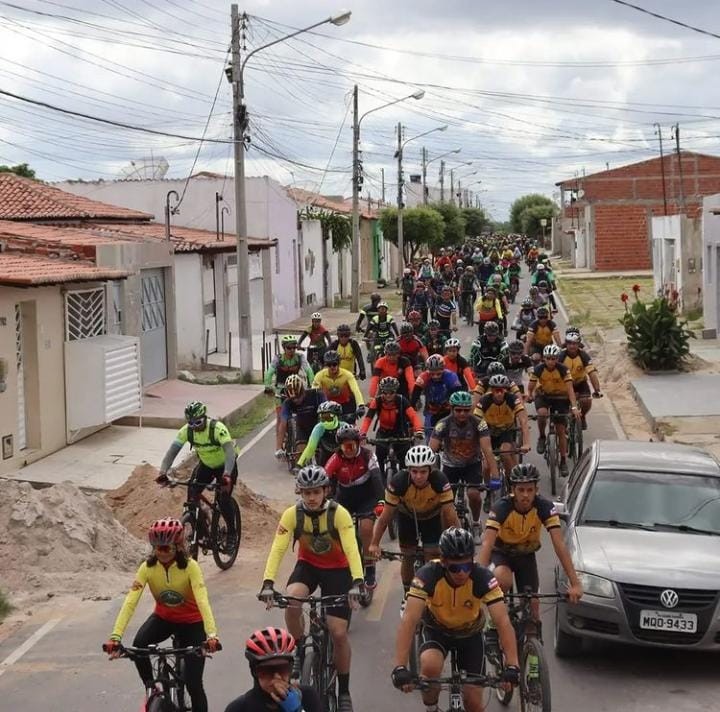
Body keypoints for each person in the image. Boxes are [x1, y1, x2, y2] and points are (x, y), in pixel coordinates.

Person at [259, 466, 364, 712]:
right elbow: (278, 548)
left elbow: (351, 548)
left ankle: (344, 689)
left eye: (316, 492)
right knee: (292, 601)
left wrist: (357, 582)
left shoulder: (340, 514)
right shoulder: (291, 515)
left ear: (326, 490)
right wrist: (268, 583)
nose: (311, 498)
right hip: (309, 566)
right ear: (300, 493)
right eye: (306, 493)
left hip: (339, 571)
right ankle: (299, 647)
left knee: (338, 633)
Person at [391, 528, 519, 712]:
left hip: (470, 634)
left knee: (474, 703)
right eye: (454, 567)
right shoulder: (427, 575)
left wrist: (512, 664)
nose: (461, 573)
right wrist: (400, 667)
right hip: (437, 630)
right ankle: (432, 707)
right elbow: (409, 621)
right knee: (430, 666)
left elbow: (503, 622)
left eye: (466, 566)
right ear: (443, 562)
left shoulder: (482, 577)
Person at [104, 519, 220, 712]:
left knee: (193, 684)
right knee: (139, 645)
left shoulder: (191, 567)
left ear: (178, 546)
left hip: (193, 623)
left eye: (166, 548)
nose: (161, 553)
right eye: (157, 548)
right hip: (164, 619)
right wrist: (115, 637)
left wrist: (212, 635)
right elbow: (130, 602)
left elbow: (202, 601)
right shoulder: (147, 568)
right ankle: (151, 687)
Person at [478, 464, 583, 647]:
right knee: (502, 579)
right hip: (501, 554)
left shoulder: (544, 507)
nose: (525, 495)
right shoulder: (501, 507)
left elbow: (559, 545)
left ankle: (534, 654)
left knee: (533, 610)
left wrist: (575, 583)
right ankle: (493, 624)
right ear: (513, 490)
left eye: (529, 490)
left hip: (526, 556)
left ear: (536, 490)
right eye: (521, 490)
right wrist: (476, 582)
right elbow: (487, 544)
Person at [369, 445, 459, 602]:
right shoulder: (399, 481)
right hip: (408, 517)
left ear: (430, 470)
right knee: (407, 557)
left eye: (423, 471)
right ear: (408, 470)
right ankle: (407, 593)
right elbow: (386, 516)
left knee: (433, 556)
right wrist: (374, 543)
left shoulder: (440, 480)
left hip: (433, 517)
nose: (418, 476)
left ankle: (431, 590)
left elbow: (450, 514)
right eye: (414, 471)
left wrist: (458, 540)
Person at [157, 401, 238, 544]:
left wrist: (226, 474)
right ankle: (200, 531)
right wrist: (163, 472)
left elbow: (230, 453)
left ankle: (232, 533)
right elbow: (172, 452)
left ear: (205, 417)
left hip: (225, 466)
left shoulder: (218, 429)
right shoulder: (186, 431)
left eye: (198, 422)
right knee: (191, 497)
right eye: (191, 424)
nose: (194, 427)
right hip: (206, 465)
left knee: (223, 499)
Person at [428, 391, 499, 537]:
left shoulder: (479, 424)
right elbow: (430, 451)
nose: (462, 414)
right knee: (444, 504)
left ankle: (476, 522)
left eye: (466, 410)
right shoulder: (443, 424)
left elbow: (487, 450)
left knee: (473, 494)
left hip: (471, 465)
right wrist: (428, 474)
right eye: (458, 410)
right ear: (452, 409)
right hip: (450, 466)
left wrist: (495, 476)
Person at [325, 425, 384, 589]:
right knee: (334, 530)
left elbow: (377, 479)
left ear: (358, 443)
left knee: (365, 529)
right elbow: (324, 478)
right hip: (345, 499)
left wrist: (381, 501)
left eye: (351, 445)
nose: (348, 450)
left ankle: (370, 568)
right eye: (344, 446)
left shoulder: (368, 455)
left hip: (367, 498)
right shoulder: (336, 458)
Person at [225, 627, 322, 712]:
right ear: (254, 672)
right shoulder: (239, 708)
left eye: (283, 668)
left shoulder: (308, 697)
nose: (277, 676)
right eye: (267, 671)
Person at [526, 344, 581, 477]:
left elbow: (570, 390)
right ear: (544, 359)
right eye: (548, 358)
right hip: (544, 396)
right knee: (542, 413)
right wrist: (529, 395)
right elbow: (531, 387)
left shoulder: (563, 369)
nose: (551, 361)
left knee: (561, 430)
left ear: (557, 359)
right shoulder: (538, 369)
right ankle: (542, 436)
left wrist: (574, 407)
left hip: (560, 398)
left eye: (554, 358)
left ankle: (562, 461)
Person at [359, 376, 423, 481]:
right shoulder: (377, 401)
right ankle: (383, 481)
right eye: (385, 392)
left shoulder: (402, 400)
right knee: (379, 459)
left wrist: (418, 430)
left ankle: (405, 482)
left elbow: (413, 416)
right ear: (381, 392)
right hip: (383, 433)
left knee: (405, 463)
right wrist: (363, 434)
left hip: (400, 433)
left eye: (391, 392)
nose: (388, 395)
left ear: (396, 391)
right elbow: (368, 419)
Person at [475, 374, 530, 477]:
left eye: (502, 390)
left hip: (506, 431)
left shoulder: (512, 399)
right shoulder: (484, 401)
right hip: (489, 432)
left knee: (505, 453)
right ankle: (488, 489)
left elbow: (523, 421)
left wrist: (526, 443)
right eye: (496, 390)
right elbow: (475, 421)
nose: (499, 394)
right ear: (491, 390)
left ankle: (511, 482)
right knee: (487, 466)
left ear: (506, 390)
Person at [410, 354, 462, 441]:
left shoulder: (451, 376)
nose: (435, 376)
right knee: (429, 434)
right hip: (431, 411)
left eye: (438, 373)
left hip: (448, 410)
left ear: (443, 369)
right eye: (432, 374)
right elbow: (415, 396)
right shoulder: (423, 377)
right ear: (427, 371)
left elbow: (458, 395)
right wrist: (411, 410)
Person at [560, 331, 602, 430]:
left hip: (580, 382)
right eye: (569, 343)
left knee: (586, 401)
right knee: (562, 403)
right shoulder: (561, 356)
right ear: (566, 344)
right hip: (565, 383)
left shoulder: (584, 356)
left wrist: (597, 390)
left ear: (579, 344)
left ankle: (582, 416)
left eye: (574, 343)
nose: (572, 346)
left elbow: (591, 373)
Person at [276, 376, 326, 459]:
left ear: (303, 391)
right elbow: (283, 424)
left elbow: (328, 411)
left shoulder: (316, 395)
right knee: (301, 456)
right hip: (302, 428)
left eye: (298, 397)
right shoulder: (287, 403)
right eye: (293, 399)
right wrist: (278, 448)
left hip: (319, 426)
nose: (295, 401)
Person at [312, 350, 365, 423]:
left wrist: (361, 405)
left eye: (334, 364)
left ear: (339, 363)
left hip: (346, 406)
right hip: (328, 407)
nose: (332, 367)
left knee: (350, 430)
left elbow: (356, 390)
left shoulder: (347, 374)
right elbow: (314, 392)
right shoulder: (319, 376)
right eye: (329, 365)